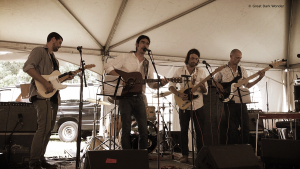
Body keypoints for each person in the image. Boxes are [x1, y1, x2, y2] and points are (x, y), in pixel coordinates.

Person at [104, 35, 168, 150]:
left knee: (144, 129)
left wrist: (161, 84)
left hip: (139, 98)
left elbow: (151, 84)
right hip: (125, 97)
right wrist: (121, 78)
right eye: (142, 42)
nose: (145, 45)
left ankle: (141, 157)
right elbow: (107, 66)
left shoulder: (147, 64)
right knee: (126, 129)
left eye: (147, 43)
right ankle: (127, 158)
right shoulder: (125, 57)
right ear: (137, 44)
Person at [23, 32, 74, 169]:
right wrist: (44, 83)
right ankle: (33, 163)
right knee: (43, 128)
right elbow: (27, 67)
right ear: (53, 39)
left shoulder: (54, 59)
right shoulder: (39, 51)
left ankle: (40, 159)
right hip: (41, 94)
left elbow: (54, 80)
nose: (60, 45)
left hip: (52, 97)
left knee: (48, 129)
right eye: (59, 42)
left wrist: (66, 77)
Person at [214, 49, 265, 145]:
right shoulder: (222, 69)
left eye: (240, 58)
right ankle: (234, 150)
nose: (239, 60)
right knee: (232, 128)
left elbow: (247, 85)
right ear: (231, 56)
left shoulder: (242, 70)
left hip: (241, 101)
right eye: (237, 57)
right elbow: (214, 81)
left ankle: (245, 148)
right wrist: (218, 85)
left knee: (245, 126)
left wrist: (259, 78)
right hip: (229, 101)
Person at [169, 49, 208, 163]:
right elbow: (171, 86)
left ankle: (200, 156)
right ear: (188, 58)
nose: (194, 61)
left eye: (196, 59)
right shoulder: (179, 70)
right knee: (184, 130)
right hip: (184, 105)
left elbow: (205, 91)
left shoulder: (201, 72)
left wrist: (202, 87)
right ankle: (184, 155)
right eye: (192, 58)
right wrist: (179, 94)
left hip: (198, 105)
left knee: (200, 131)